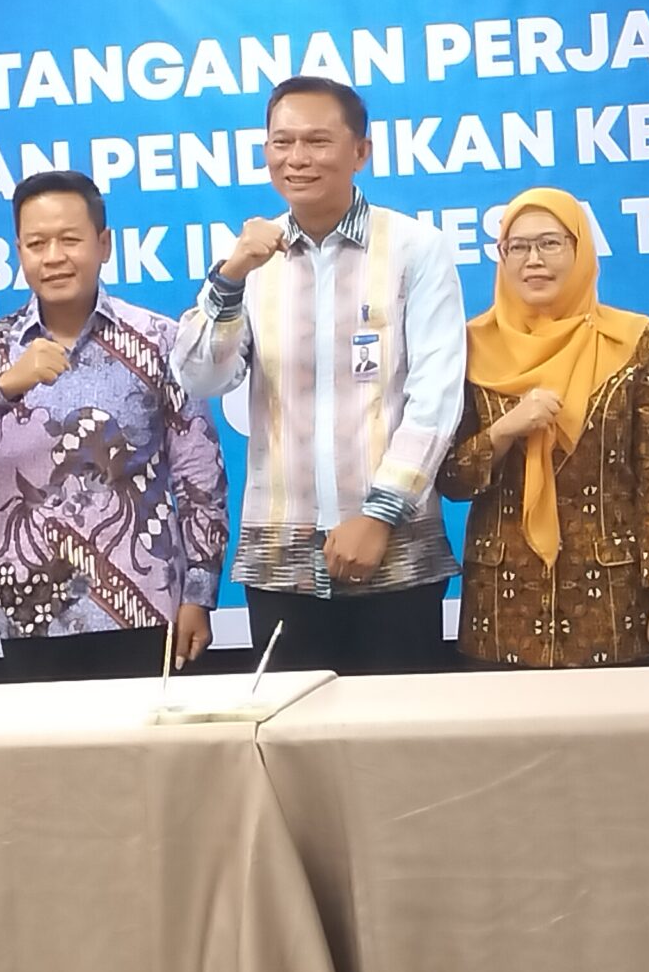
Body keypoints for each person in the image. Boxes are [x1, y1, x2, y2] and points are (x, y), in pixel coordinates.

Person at [172, 76, 467, 675]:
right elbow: (202, 377)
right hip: (281, 556)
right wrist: (230, 277)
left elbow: (435, 397)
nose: (297, 158)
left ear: (360, 152)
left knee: (402, 724)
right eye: (282, 142)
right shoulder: (251, 258)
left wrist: (379, 515)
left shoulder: (415, 248)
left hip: (394, 548)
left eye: (317, 141)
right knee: (292, 725)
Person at [0, 171, 228, 682]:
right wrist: (5, 386)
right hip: (32, 613)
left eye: (70, 240)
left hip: (145, 610)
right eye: (37, 244)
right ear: (19, 252)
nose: (53, 256)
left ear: (104, 244)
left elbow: (200, 476)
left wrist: (200, 593)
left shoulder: (159, 341)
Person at [439, 187, 649, 668]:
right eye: (517, 246)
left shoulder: (634, 342)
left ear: (581, 250)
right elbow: (451, 479)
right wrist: (504, 431)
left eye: (550, 244)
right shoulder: (470, 345)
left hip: (614, 602)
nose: (533, 260)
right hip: (502, 606)